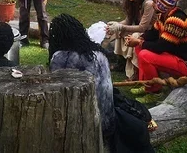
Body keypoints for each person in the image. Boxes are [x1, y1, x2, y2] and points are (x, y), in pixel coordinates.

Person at [49, 14, 154, 153]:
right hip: (108, 120)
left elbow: (58, 94)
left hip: (81, 124)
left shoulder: (60, 58)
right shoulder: (98, 54)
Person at [133, 0, 187, 95]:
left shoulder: (175, 20)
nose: (152, 4)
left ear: (163, 4)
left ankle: (155, 91)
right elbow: (153, 33)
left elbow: (160, 47)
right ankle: (146, 83)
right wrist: (139, 39)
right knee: (138, 47)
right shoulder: (162, 16)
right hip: (175, 56)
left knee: (144, 55)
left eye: (155, 2)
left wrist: (140, 42)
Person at [106, 0, 156, 80]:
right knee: (120, 31)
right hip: (141, 30)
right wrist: (114, 25)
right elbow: (128, 21)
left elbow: (142, 27)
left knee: (135, 35)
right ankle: (121, 62)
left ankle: (134, 72)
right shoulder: (133, 2)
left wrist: (120, 26)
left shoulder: (149, 4)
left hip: (151, 34)